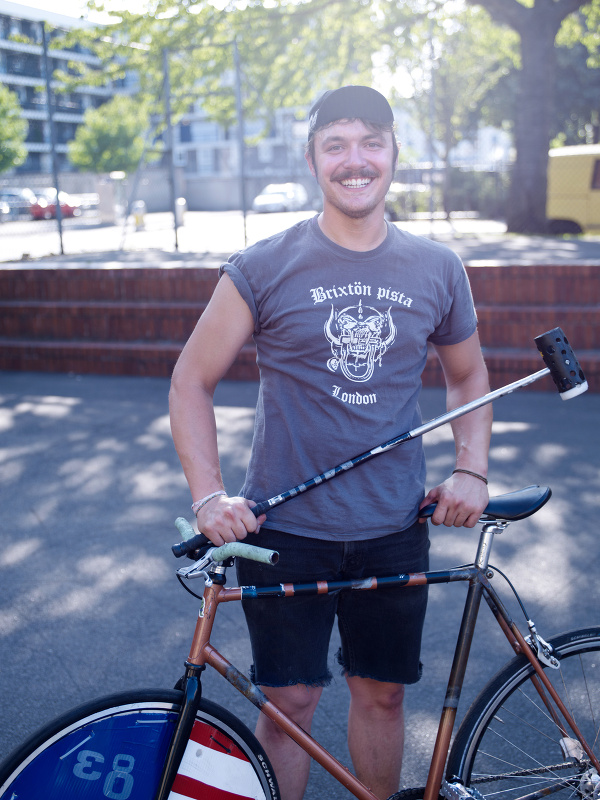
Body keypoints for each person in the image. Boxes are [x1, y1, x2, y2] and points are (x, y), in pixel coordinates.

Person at [169, 84, 492, 800]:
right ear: (312, 157)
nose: (356, 160)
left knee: (381, 698)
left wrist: (472, 469)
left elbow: (468, 378)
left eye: (371, 142)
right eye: (336, 144)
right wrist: (209, 495)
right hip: (285, 532)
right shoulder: (262, 266)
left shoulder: (437, 267)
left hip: (394, 528)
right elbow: (190, 380)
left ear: (394, 153)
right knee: (290, 710)